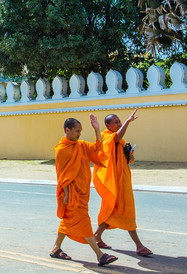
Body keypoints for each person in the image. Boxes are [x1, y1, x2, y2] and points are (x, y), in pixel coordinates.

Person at [50, 116, 118, 267]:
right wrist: (67, 193)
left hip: (82, 191)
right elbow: (62, 175)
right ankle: (100, 255)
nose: (79, 134)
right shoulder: (62, 150)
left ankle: (56, 248)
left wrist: (96, 129)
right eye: (77, 131)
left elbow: (97, 149)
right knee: (84, 221)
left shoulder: (80, 145)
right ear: (67, 130)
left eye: (80, 131)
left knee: (67, 220)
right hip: (72, 193)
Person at [92, 109, 153, 257]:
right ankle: (139, 246)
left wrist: (130, 157)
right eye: (116, 122)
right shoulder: (108, 137)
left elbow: (123, 160)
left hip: (123, 179)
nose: (118, 124)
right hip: (115, 182)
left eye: (119, 121)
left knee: (112, 210)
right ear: (107, 125)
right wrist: (128, 122)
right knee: (126, 211)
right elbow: (117, 137)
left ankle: (96, 237)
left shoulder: (120, 139)